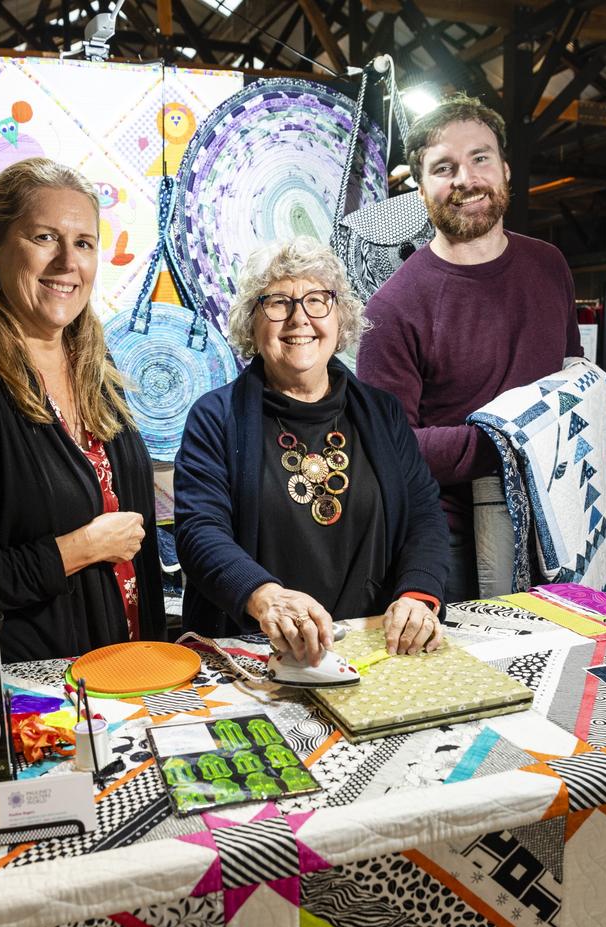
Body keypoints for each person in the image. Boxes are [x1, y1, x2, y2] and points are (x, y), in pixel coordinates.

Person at [0, 158, 165, 662]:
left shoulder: (93, 363)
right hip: (32, 698)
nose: (67, 262)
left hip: (123, 674)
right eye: (44, 238)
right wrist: (80, 547)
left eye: (83, 243)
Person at [174, 237, 449, 664]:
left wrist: (418, 592)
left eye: (317, 300)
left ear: (340, 318)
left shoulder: (382, 412)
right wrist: (264, 596)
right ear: (253, 322)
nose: (299, 318)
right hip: (258, 651)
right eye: (278, 302)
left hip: (373, 647)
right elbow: (198, 532)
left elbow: (424, 514)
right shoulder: (215, 417)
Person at [357, 94, 582, 602]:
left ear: (504, 169)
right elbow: (388, 446)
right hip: (455, 544)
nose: (466, 178)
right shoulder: (392, 309)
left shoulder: (549, 266)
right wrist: (511, 444)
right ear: (420, 189)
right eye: (444, 167)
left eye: (480, 158)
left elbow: (571, 374)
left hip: (560, 517)